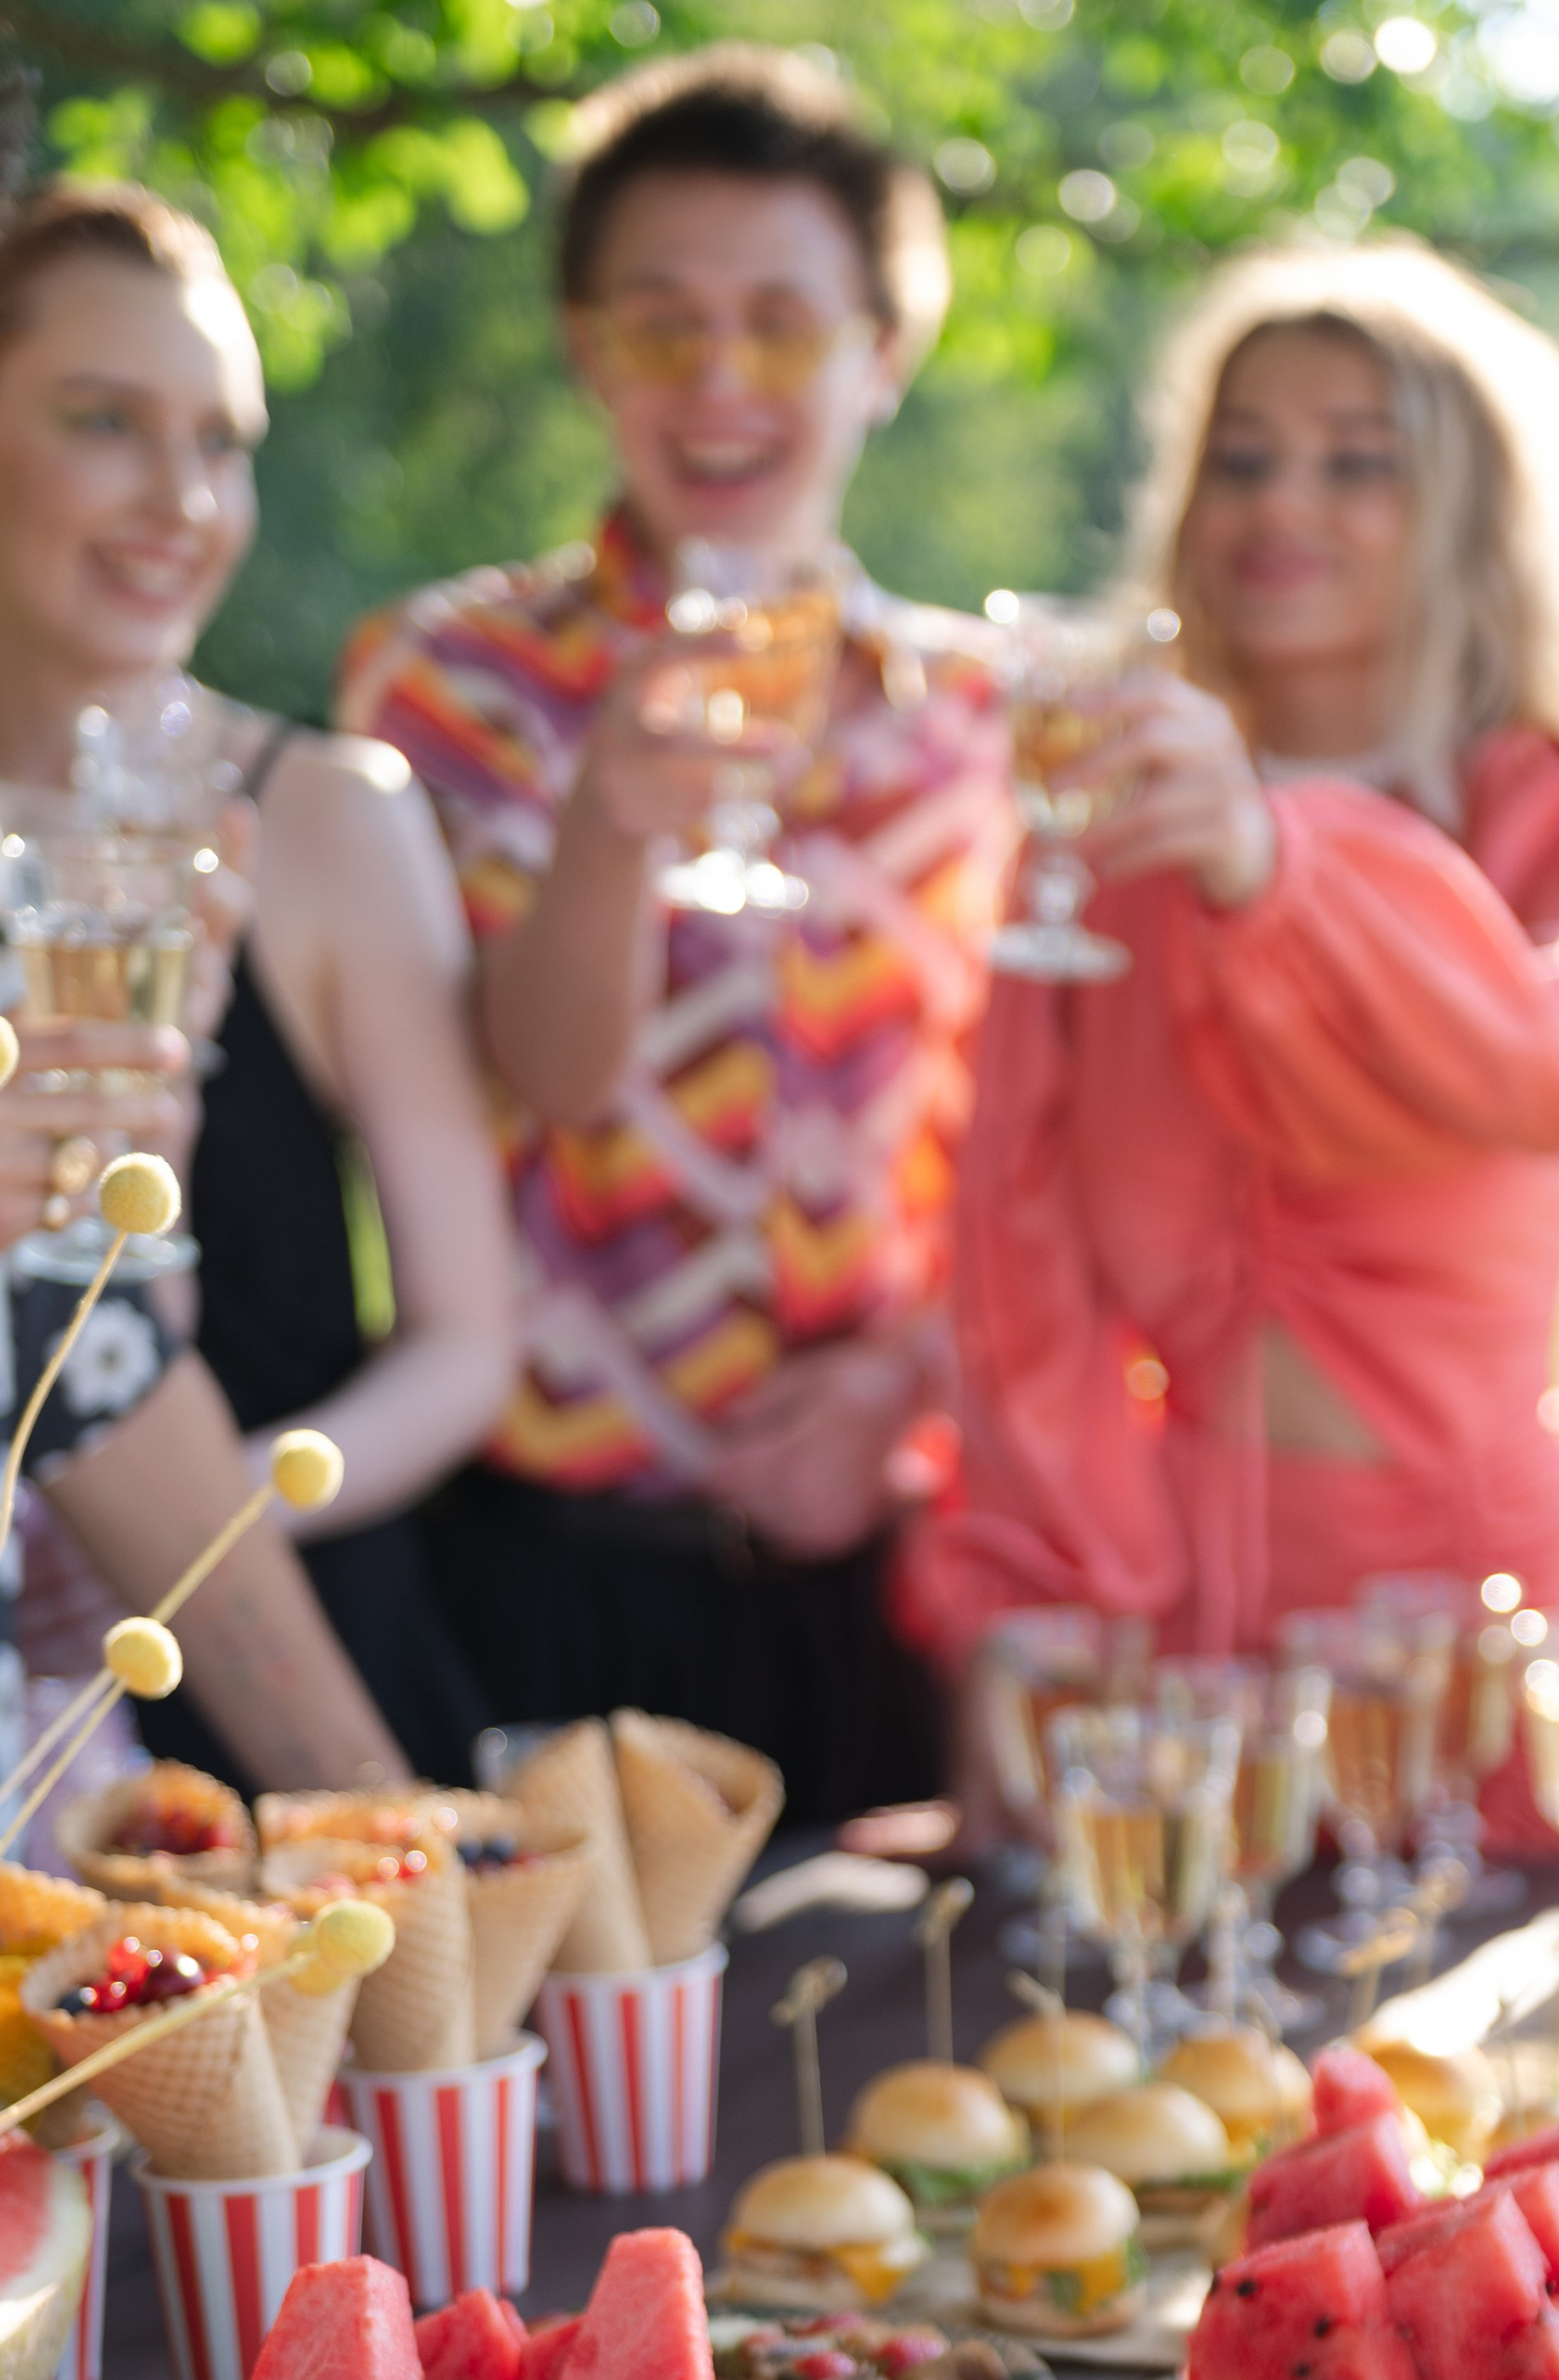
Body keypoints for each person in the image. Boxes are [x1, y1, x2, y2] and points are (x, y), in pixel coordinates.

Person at [341, 45, 1011, 1820]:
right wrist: (611, 829)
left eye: (781, 327)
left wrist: (909, 1384)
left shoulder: (981, 722)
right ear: (588, 348)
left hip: (882, 1579)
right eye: (663, 326)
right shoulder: (453, 688)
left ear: (885, 349)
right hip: (539, 1576)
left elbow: (1051, 1152)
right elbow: (543, 1078)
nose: (720, 382)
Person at [909, 240, 1559, 1676]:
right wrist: (1039, 1597)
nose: (1282, 503)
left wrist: (1280, 864)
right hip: (1177, 1630)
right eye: (1242, 460)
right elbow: (1020, 1260)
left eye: (1357, 464)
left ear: (1468, 513)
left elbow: (1546, 1073)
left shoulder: (1549, 815)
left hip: (1472, 1625)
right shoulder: (1113, 820)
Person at [0, 166, 517, 1789]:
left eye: (220, 443)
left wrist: (214, 1506)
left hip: (289, 1662)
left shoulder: (331, 816)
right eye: (106, 422)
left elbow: (469, 1344)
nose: (182, 500)